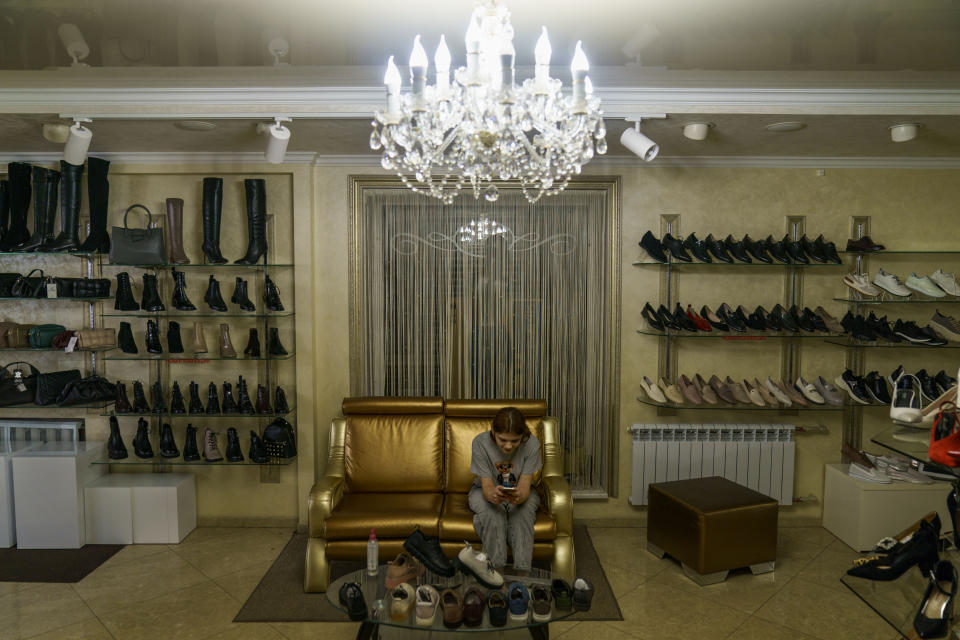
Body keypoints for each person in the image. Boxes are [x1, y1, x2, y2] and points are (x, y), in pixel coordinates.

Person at [468, 406, 542, 575]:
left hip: (523, 491)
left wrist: (519, 497)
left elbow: (524, 486)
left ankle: (522, 577)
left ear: (523, 436)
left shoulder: (532, 445)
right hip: (482, 491)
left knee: (522, 515)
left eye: (514, 441)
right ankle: (497, 575)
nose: (508, 446)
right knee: (493, 515)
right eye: (503, 440)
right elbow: (487, 488)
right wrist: (492, 495)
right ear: (493, 431)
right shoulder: (480, 443)